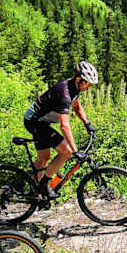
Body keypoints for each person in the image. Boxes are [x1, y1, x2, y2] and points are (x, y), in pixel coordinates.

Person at [24, 60, 97, 198]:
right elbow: (64, 126)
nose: (89, 86)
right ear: (78, 79)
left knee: (44, 157)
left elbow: (76, 107)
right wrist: (75, 151)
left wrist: (87, 124)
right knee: (66, 151)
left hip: (39, 121)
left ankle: (33, 193)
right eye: (88, 83)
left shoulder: (74, 87)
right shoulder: (64, 93)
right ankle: (44, 186)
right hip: (35, 122)